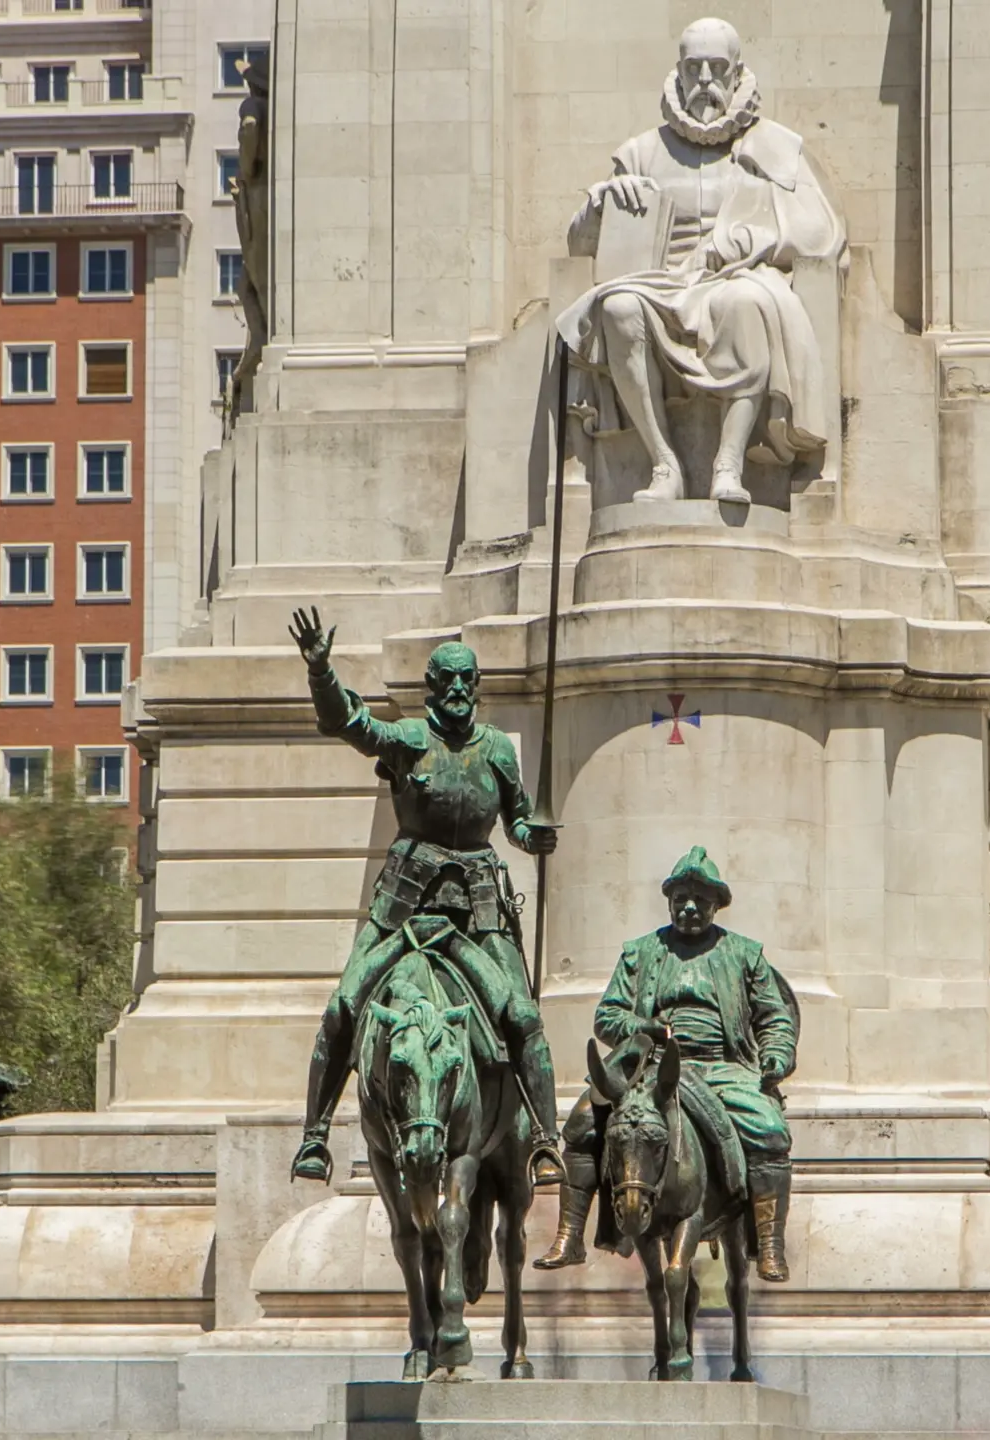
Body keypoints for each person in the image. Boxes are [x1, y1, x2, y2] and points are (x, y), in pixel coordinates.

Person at [286, 607, 565, 1185]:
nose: (459, 688)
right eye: (448, 680)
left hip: (481, 905)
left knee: (521, 1014)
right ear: (431, 688)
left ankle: (544, 1139)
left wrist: (529, 834)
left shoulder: (497, 750)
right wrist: (321, 673)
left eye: (468, 679)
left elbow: (514, 819)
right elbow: (352, 724)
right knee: (343, 1007)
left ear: (477, 688)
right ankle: (315, 1135)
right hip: (405, 904)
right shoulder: (410, 739)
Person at [557, 17, 845, 505]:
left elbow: (822, 235)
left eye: (717, 68)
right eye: (695, 69)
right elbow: (578, 244)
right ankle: (664, 463)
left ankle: (728, 464)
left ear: (737, 73)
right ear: (679, 73)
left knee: (749, 300)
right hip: (662, 284)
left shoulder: (772, 146)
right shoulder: (642, 153)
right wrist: (602, 202)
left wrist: (751, 240)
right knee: (618, 309)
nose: (706, 82)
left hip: (733, 279)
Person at [537, 847, 799, 1281]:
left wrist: (776, 1056)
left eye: (700, 901)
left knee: (769, 1130)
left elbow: (775, 1018)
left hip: (721, 1067)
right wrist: (646, 1026)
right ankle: (570, 1236)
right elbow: (607, 1016)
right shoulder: (640, 953)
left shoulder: (746, 954)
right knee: (584, 1119)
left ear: (718, 905)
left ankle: (769, 1244)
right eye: (681, 900)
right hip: (650, 1066)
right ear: (670, 902)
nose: (690, 909)